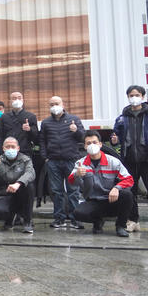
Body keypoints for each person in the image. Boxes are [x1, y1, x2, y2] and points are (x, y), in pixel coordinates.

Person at [111, 85, 148, 235]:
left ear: (142, 97)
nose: (134, 98)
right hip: (129, 160)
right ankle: (133, 221)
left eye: (136, 95)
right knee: (130, 192)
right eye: (131, 95)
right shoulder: (122, 118)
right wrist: (114, 140)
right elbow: (115, 137)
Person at [70, 131, 135, 237]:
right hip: (94, 201)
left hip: (111, 200)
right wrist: (77, 174)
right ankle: (97, 221)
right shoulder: (81, 163)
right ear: (85, 146)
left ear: (100, 144)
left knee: (127, 195)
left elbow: (129, 180)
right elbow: (70, 181)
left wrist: (117, 188)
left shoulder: (113, 161)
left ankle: (120, 226)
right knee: (78, 213)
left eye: (94, 142)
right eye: (88, 143)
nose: (92, 145)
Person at [40, 96, 85, 229]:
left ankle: (76, 218)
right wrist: (45, 157)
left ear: (62, 104)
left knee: (73, 190)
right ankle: (59, 219)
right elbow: (42, 141)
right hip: (53, 161)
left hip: (71, 160)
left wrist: (76, 131)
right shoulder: (46, 122)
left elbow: (83, 137)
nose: (54, 106)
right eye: (52, 104)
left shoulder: (74, 119)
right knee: (56, 191)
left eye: (57, 103)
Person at [0, 137, 35, 233]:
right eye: (7, 147)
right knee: (0, 211)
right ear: (3, 148)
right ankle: (10, 218)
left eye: (13, 147)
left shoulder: (25, 159)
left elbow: (30, 173)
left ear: (18, 148)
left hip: (20, 191)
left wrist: (18, 183)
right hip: (5, 193)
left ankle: (27, 221)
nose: (10, 149)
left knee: (30, 186)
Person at [0, 92, 39, 157]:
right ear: (10, 101)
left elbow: (36, 136)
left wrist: (29, 129)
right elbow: (0, 136)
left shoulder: (31, 116)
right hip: (8, 151)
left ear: (23, 100)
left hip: (25, 152)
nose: (17, 100)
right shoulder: (4, 117)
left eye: (19, 98)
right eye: (14, 98)